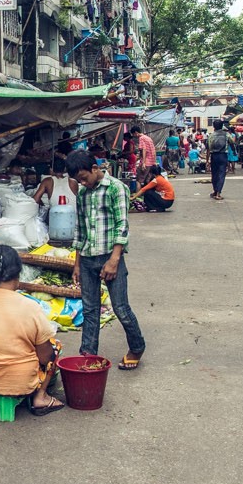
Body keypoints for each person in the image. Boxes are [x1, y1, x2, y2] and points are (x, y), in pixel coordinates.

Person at [0, 245, 64, 415]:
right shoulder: (31, 307)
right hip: (19, 383)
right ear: (18, 273)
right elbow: (45, 358)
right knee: (54, 347)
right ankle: (41, 397)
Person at [66, 151, 146, 369]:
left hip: (111, 257)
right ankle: (88, 353)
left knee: (120, 307)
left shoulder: (115, 188)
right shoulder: (83, 193)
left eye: (83, 177)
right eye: (78, 180)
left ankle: (137, 347)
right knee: (89, 308)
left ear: (94, 168)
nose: (82, 182)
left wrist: (114, 260)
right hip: (88, 258)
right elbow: (80, 230)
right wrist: (77, 264)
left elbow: (123, 225)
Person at [206, 120, 235, 200]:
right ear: (222, 126)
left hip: (213, 156)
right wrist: (234, 152)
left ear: (213, 126)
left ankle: (215, 191)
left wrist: (207, 160)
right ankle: (218, 193)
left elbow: (208, 149)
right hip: (223, 156)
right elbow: (232, 143)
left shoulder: (211, 136)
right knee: (221, 174)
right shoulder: (227, 135)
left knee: (214, 174)